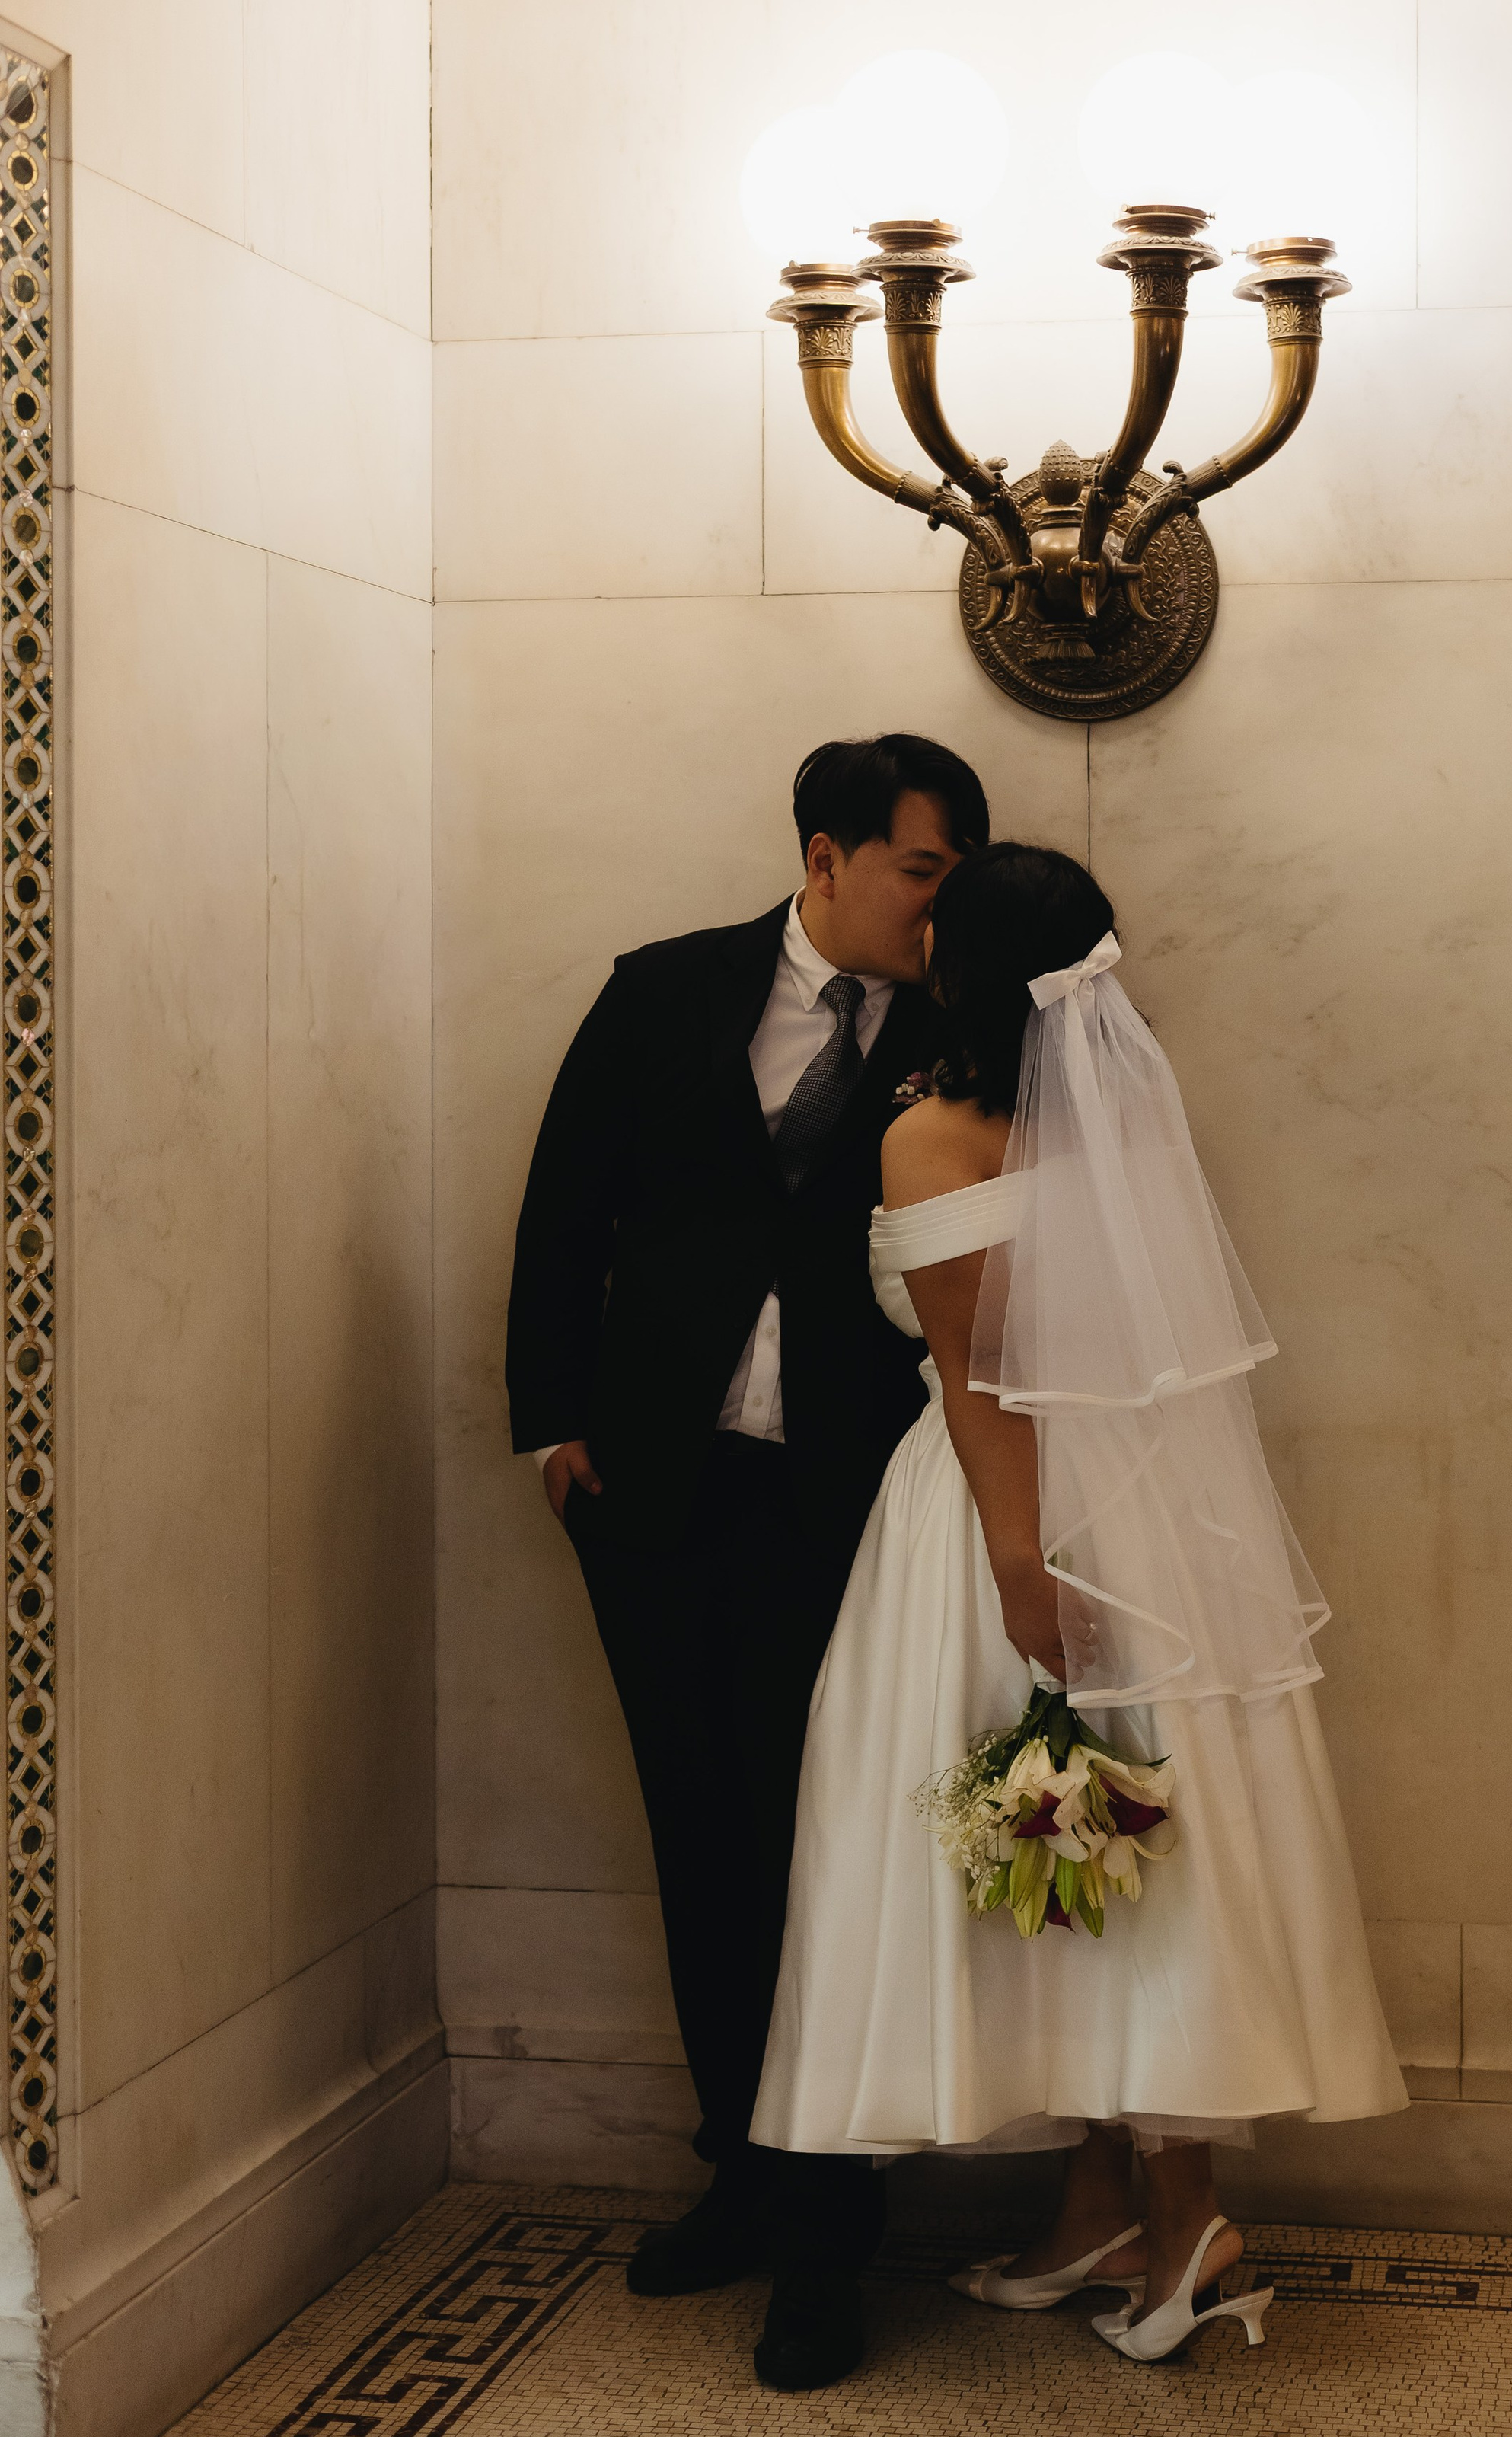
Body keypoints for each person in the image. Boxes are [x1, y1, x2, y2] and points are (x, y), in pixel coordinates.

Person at [751, 842, 1408, 2364]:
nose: (914, 922)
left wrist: (1012, 1563)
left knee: (1086, 1846)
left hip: (1016, 1513)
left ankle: (1186, 2229)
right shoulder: (1120, 1115)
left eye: (939, 914)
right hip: (1154, 1514)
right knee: (1126, 1845)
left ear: (969, 961)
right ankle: (1099, 2207)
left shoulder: (932, 1132)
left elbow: (983, 1375)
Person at [504, 734, 990, 2391]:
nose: (938, 910)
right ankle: (737, 2163)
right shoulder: (665, 990)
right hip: (649, 1483)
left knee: (824, 1854)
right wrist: (550, 1424)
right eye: (920, 872)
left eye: (953, 883)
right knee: (696, 1825)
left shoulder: (963, 1028)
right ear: (825, 855)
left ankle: (822, 2241)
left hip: (848, 1502)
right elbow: (567, 1208)